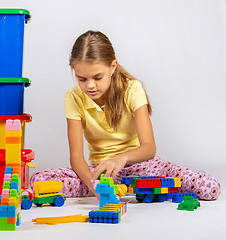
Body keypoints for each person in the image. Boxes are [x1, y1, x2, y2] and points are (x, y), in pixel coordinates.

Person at [30, 30, 220, 200]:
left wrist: (120, 159)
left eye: (97, 77)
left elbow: (149, 148)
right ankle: (115, 189)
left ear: (113, 67)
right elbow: (76, 157)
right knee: (39, 180)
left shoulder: (132, 89)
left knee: (209, 187)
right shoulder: (73, 98)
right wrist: (94, 185)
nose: (90, 86)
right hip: (101, 172)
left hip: (142, 168)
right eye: (82, 79)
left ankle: (146, 187)